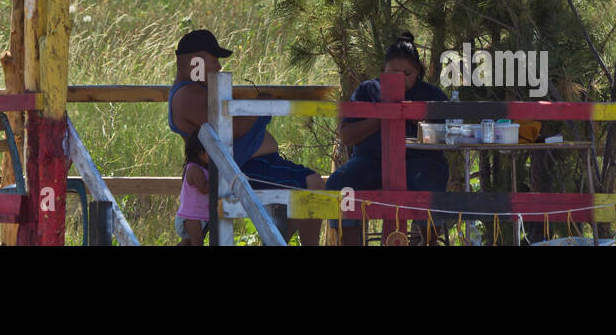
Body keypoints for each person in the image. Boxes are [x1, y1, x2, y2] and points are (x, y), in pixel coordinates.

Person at [167, 28, 324, 245]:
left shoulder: (193, 91)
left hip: (246, 164)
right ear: (196, 62)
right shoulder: (189, 96)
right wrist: (260, 106)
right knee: (312, 183)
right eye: (214, 60)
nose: (219, 67)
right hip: (241, 167)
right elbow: (232, 129)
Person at [326, 31, 450, 245]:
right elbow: (346, 135)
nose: (400, 78)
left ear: (418, 72)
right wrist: (383, 117)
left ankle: (427, 241)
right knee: (340, 183)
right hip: (371, 162)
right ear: (383, 69)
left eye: (407, 73)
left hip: (421, 162)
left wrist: (413, 118)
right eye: (393, 72)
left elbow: (447, 135)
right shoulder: (368, 90)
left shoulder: (432, 95)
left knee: (427, 185)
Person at [176, 132, 210, 246]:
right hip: (191, 216)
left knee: (188, 243)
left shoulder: (201, 168)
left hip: (197, 214)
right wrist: (218, 180)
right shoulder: (195, 170)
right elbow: (204, 188)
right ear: (201, 152)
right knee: (197, 242)